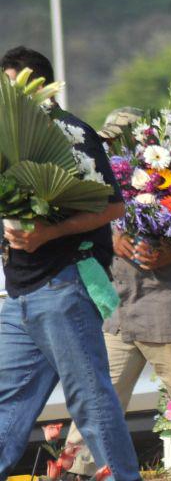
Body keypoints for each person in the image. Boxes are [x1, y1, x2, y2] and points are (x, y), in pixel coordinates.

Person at [0, 47, 142, 481]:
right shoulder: (9, 135)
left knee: (91, 401)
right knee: (7, 397)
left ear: (39, 87)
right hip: (19, 293)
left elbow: (112, 208)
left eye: (11, 85)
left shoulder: (73, 134)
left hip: (63, 286)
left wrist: (46, 233)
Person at [63, 108, 171, 481]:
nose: (110, 145)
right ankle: (78, 470)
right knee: (98, 397)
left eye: (118, 139)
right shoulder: (95, 174)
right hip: (116, 306)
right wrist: (112, 237)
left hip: (169, 306)